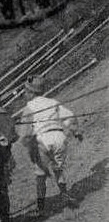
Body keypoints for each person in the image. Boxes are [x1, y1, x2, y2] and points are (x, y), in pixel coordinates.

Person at [20, 75, 82, 212]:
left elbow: (25, 132)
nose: (24, 94)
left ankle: (41, 207)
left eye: (25, 91)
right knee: (58, 169)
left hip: (42, 140)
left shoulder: (28, 107)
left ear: (31, 92)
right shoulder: (53, 102)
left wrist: (28, 144)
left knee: (40, 174)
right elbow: (69, 117)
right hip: (59, 137)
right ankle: (65, 195)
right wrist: (75, 131)